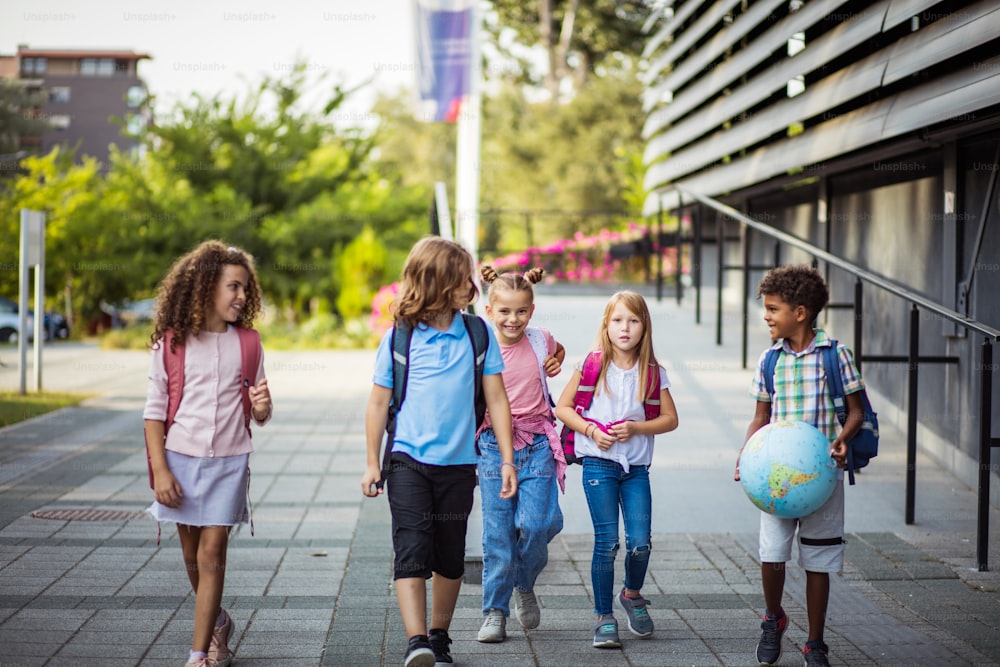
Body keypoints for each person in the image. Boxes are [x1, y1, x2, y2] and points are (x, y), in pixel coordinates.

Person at [361, 237, 518, 667]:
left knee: (449, 555)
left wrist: (506, 460)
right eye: (463, 276)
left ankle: (439, 635)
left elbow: (498, 400)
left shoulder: (477, 333)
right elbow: (378, 403)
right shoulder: (401, 338)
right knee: (411, 547)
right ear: (438, 283)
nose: (472, 283)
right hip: (407, 461)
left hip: (460, 465)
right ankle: (417, 642)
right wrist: (371, 462)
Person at [144, 241, 272, 667]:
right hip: (179, 460)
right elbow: (154, 415)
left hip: (231, 461)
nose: (241, 296)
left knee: (212, 553)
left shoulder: (250, 343)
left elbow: (259, 410)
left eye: (245, 288)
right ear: (204, 288)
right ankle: (216, 620)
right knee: (191, 555)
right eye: (232, 286)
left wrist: (262, 408)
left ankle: (198, 654)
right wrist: (161, 471)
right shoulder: (172, 344)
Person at [735, 264, 865, 667]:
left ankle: (815, 642)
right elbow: (761, 416)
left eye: (774, 309)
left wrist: (842, 440)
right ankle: (773, 618)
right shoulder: (770, 359)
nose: (767, 316)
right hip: (775, 479)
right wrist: (746, 453)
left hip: (821, 476)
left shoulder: (835, 354)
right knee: (772, 554)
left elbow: (857, 412)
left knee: (818, 560)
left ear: (801, 312)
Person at [555, 290, 679, 649]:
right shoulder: (592, 364)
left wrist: (637, 427)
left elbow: (671, 419)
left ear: (645, 327)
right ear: (606, 325)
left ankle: (632, 594)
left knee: (640, 543)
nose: (625, 328)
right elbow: (563, 409)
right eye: (618, 320)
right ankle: (603, 617)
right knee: (607, 543)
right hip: (598, 464)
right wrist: (592, 430)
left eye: (634, 320)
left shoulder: (654, 372)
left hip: (636, 469)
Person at [476, 265, 567, 643]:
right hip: (494, 449)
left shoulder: (540, 338)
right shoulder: (483, 345)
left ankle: (523, 583)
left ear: (531, 311)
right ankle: (494, 612)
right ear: (489, 311)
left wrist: (556, 361)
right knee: (498, 534)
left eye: (521, 311)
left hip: (539, 444)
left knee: (540, 525)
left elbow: (558, 351)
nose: (512, 319)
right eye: (504, 311)